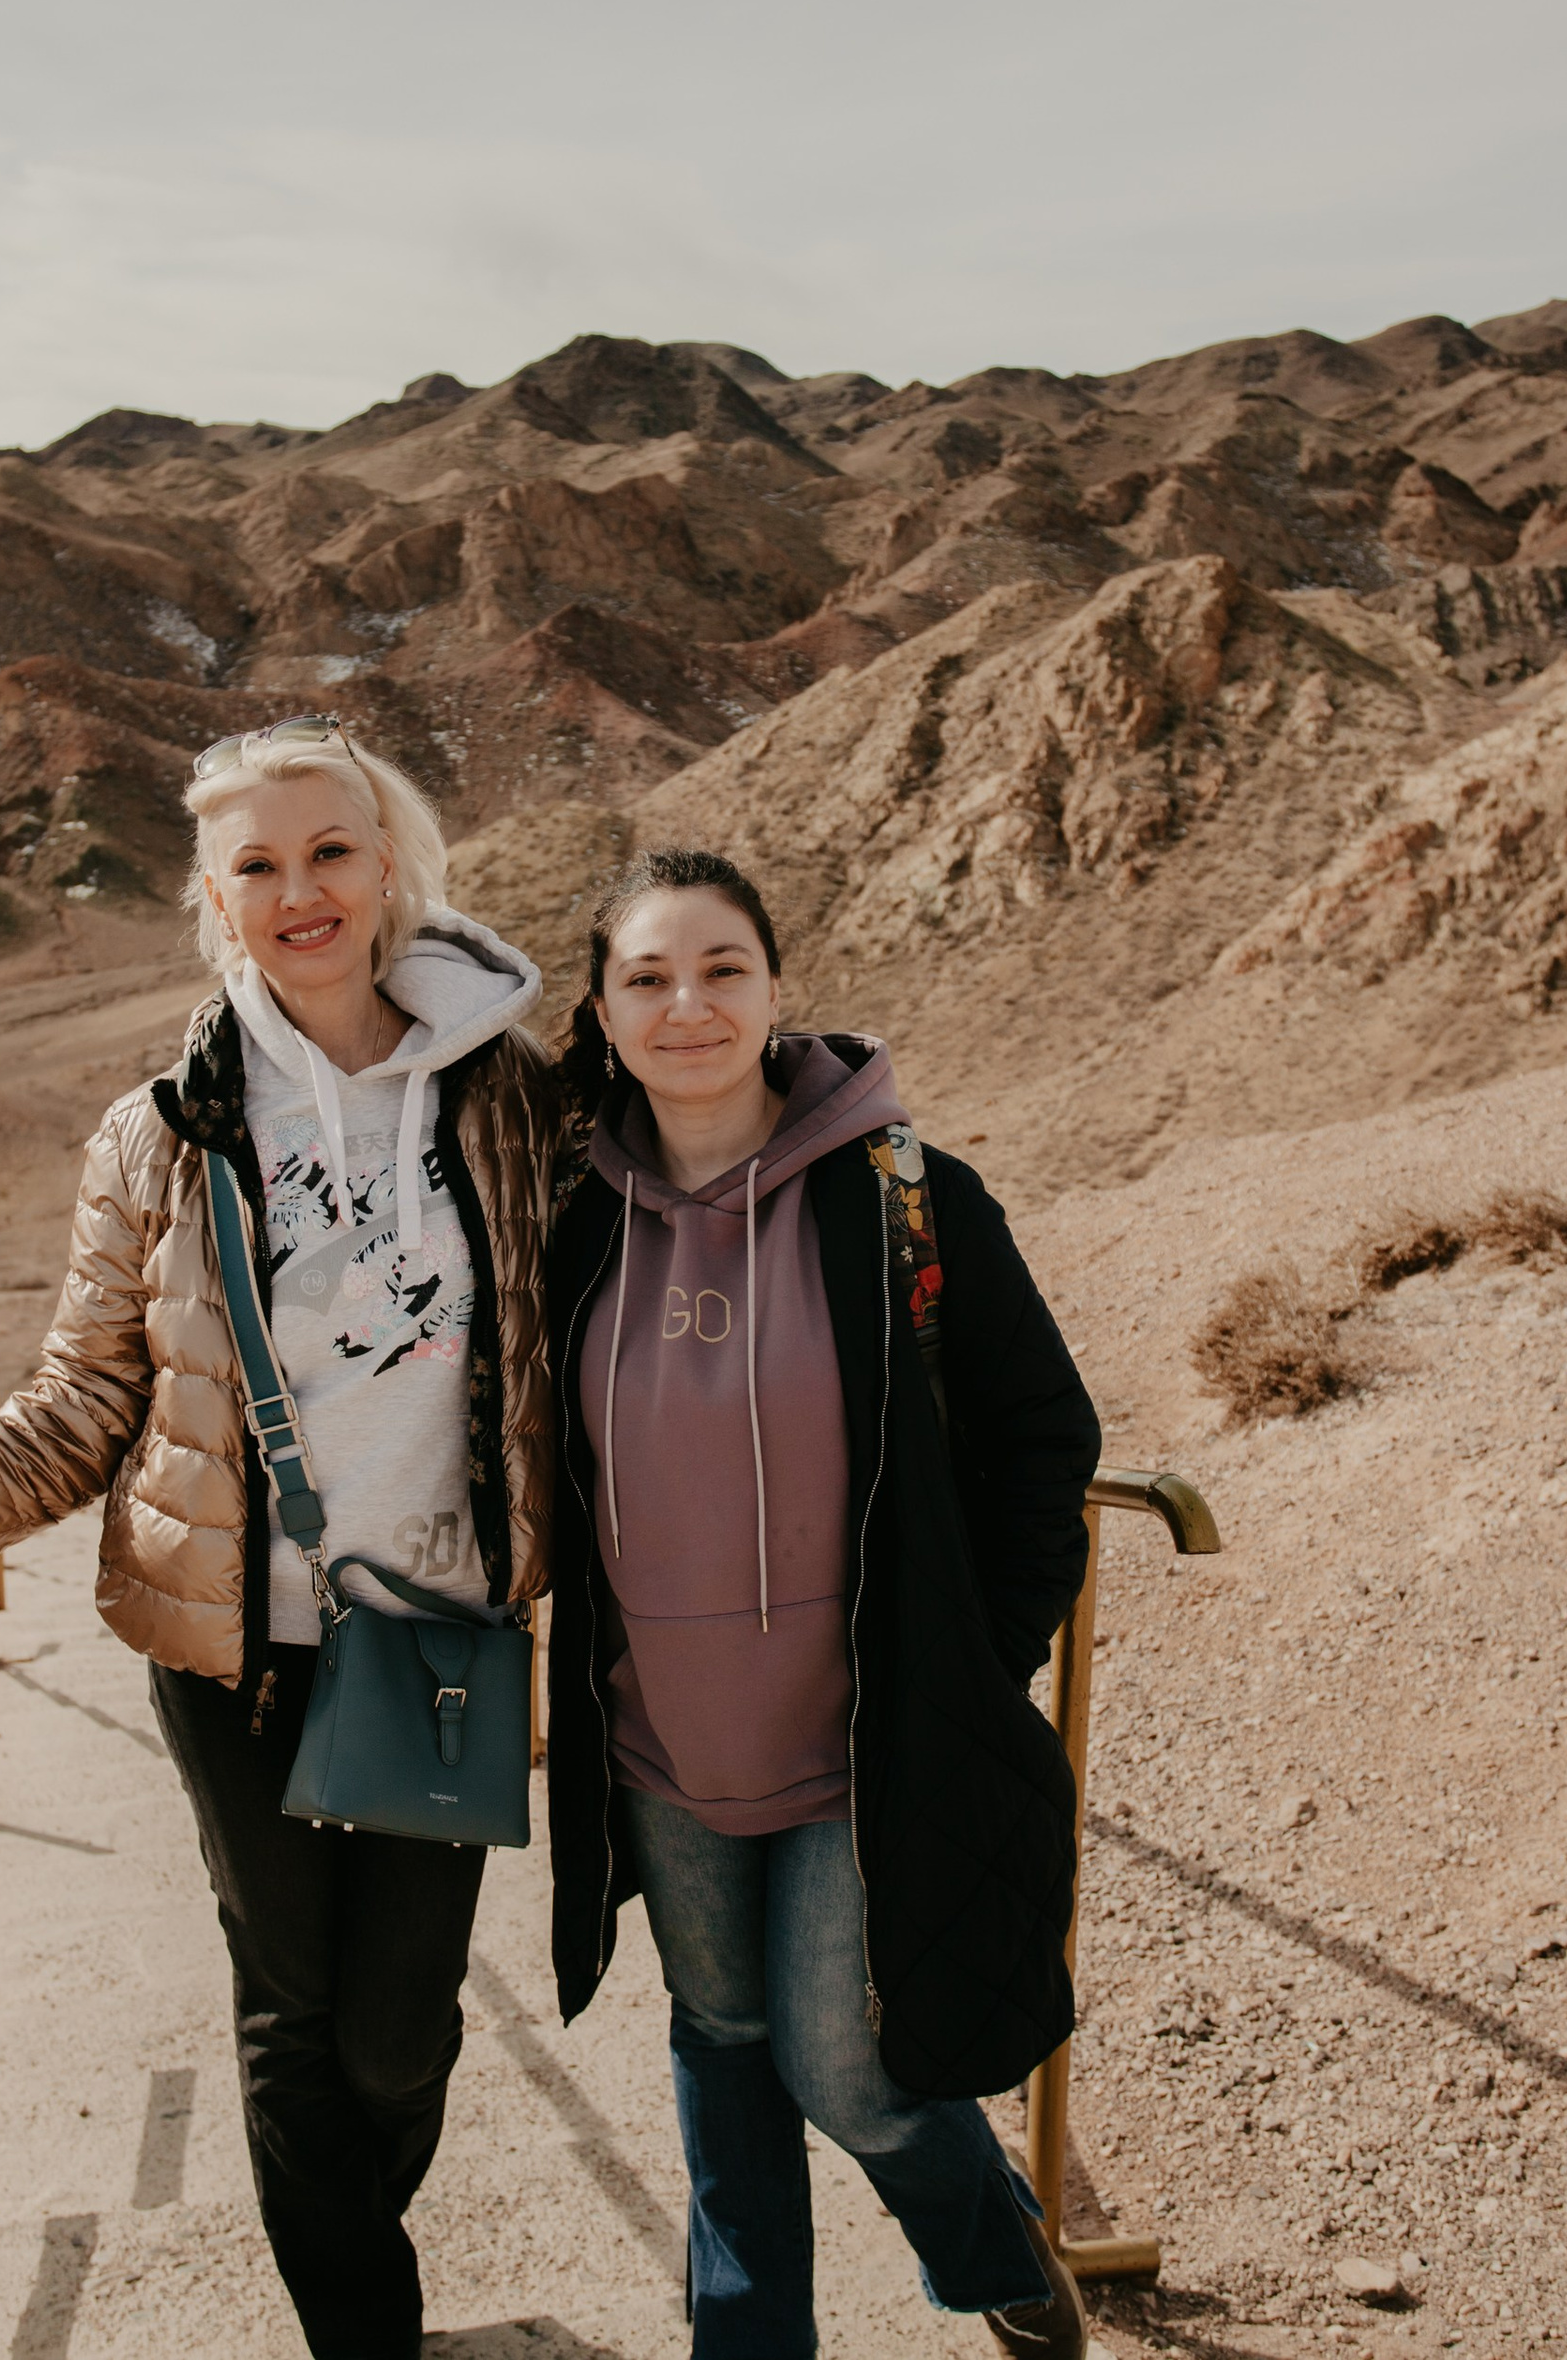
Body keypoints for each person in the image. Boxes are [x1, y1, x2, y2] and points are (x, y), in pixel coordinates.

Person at [0, 716, 561, 2360]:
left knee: (400, 2037)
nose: (302, 892)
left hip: (442, 1633)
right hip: (233, 1641)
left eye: (330, 851)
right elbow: (82, 1399)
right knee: (292, 2008)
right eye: (257, 866)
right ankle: (368, 2334)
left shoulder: (511, 1097)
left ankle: (363, 2244)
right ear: (216, 897)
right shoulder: (163, 1131)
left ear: (391, 859)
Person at [542, 848, 1103, 2360]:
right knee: (722, 2049)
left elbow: (1046, 1441)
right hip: (664, 1742)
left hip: (868, 1746)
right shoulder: (569, 1224)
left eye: (722, 968)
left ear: (777, 988)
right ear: (601, 1014)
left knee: (850, 2075)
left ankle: (994, 2251)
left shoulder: (909, 1200)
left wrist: (975, 1661)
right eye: (647, 978)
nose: (688, 1005)